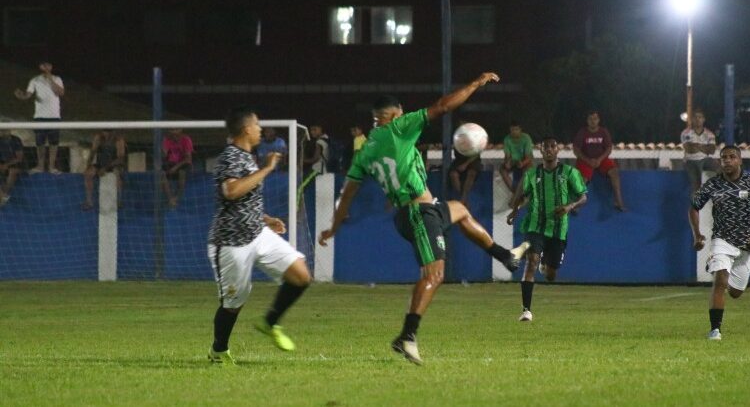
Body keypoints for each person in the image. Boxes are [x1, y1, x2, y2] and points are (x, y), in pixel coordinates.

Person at [318, 73, 530, 365]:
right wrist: (475, 84)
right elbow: (443, 106)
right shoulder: (398, 128)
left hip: (415, 212)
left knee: (460, 210)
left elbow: (348, 193)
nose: (406, 116)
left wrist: (332, 227)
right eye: (401, 113)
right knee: (434, 275)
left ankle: (505, 256)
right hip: (419, 213)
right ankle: (407, 335)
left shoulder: (365, 150)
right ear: (393, 115)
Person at [206, 107, 311, 365]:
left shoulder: (247, 156)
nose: (260, 129)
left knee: (301, 276)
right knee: (233, 304)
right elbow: (231, 191)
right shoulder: (231, 156)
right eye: (257, 125)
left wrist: (266, 218)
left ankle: (270, 322)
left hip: (257, 233)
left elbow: (243, 199)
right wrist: (267, 169)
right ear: (246, 130)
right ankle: (219, 350)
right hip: (231, 243)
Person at [688, 145, 750, 341]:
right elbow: (694, 207)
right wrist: (697, 234)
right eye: (723, 158)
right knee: (720, 281)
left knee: (736, 292)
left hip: (747, 244)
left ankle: (718, 266)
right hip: (722, 239)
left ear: (740, 160)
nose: (727, 161)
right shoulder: (713, 184)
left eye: (731, 157)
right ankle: (715, 330)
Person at [506, 137, 587, 321]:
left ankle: (546, 264)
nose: (549, 150)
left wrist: (569, 206)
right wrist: (514, 211)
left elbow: (583, 197)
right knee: (531, 262)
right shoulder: (532, 174)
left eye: (552, 146)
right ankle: (526, 310)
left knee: (551, 274)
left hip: (558, 229)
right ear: (540, 151)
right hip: (535, 225)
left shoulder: (569, 172)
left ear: (558, 150)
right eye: (545, 147)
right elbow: (522, 196)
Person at [14, 61, 65, 174]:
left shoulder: (57, 79)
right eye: (44, 65)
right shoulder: (35, 80)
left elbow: (60, 93)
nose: (46, 67)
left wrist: (50, 78)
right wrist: (21, 96)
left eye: (48, 65)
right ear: (40, 67)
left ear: (51, 67)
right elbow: (28, 94)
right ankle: (40, 166)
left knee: (53, 143)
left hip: (54, 116)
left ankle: (52, 167)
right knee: (40, 143)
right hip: (40, 116)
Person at [572, 110, 626, 211]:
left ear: (599, 120)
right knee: (582, 178)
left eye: (595, 119)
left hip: (601, 159)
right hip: (585, 159)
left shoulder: (603, 131)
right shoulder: (582, 132)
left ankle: (619, 201)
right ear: (587, 120)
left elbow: (609, 148)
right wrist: (588, 160)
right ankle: (578, 204)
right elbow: (576, 150)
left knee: (614, 173)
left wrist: (599, 160)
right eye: (591, 119)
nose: (593, 121)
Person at [82, 130, 126, 210]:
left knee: (117, 173)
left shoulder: (119, 140)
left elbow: (120, 159)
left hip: (114, 165)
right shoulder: (98, 138)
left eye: (108, 133)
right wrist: (88, 165)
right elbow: (92, 152)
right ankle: (89, 201)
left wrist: (105, 168)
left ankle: (119, 200)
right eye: (104, 132)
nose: (106, 135)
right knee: (88, 174)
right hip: (100, 164)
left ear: (113, 132)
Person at [681, 109, 719, 193]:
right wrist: (705, 147)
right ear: (692, 119)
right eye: (696, 117)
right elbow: (689, 149)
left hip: (706, 160)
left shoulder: (709, 133)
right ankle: (695, 204)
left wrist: (697, 146)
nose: (698, 119)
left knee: (722, 170)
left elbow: (712, 150)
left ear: (703, 119)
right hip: (691, 160)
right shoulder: (686, 133)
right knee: (696, 184)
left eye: (700, 117)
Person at [161, 128, 194, 208]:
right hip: (171, 163)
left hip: (183, 163)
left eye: (175, 130)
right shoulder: (167, 140)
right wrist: (163, 149)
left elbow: (188, 159)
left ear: (181, 131)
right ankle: (170, 199)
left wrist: (175, 168)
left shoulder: (186, 140)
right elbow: (164, 156)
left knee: (182, 173)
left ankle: (177, 198)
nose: (173, 133)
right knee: (161, 174)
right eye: (171, 130)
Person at [499, 123, 533, 193]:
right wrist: (507, 163)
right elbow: (507, 156)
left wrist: (522, 163)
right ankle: (516, 193)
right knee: (502, 169)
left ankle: (520, 195)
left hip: (525, 161)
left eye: (516, 129)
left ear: (520, 130)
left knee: (528, 171)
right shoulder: (507, 139)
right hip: (513, 161)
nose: (514, 132)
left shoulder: (526, 138)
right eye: (512, 130)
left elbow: (529, 157)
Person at [0, 129, 25, 207]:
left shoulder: (16, 140)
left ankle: (5, 194)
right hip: (2, 162)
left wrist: (6, 165)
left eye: (5, 130)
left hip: (14, 163)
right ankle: (2, 195)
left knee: (12, 172)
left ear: (10, 130)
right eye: (2, 130)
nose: (4, 132)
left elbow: (19, 158)